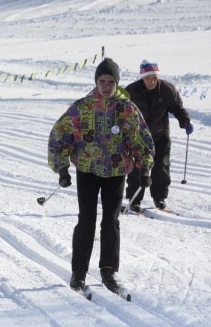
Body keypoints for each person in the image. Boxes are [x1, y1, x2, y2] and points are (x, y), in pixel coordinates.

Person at [47, 58, 155, 294]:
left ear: (117, 83)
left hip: (116, 172)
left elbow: (141, 141)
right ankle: (78, 272)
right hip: (87, 169)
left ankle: (108, 270)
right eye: (102, 81)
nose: (106, 86)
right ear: (96, 82)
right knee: (86, 220)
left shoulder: (127, 109)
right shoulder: (82, 107)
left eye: (110, 82)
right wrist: (62, 168)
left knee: (111, 221)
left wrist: (145, 167)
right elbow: (59, 136)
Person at [124, 60, 193, 211]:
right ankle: (134, 200)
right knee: (137, 168)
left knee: (161, 167)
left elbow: (177, 107)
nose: (152, 81)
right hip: (138, 137)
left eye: (154, 77)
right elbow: (121, 111)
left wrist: (185, 121)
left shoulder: (167, 89)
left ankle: (160, 198)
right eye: (148, 78)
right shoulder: (131, 91)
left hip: (160, 135)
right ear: (142, 77)